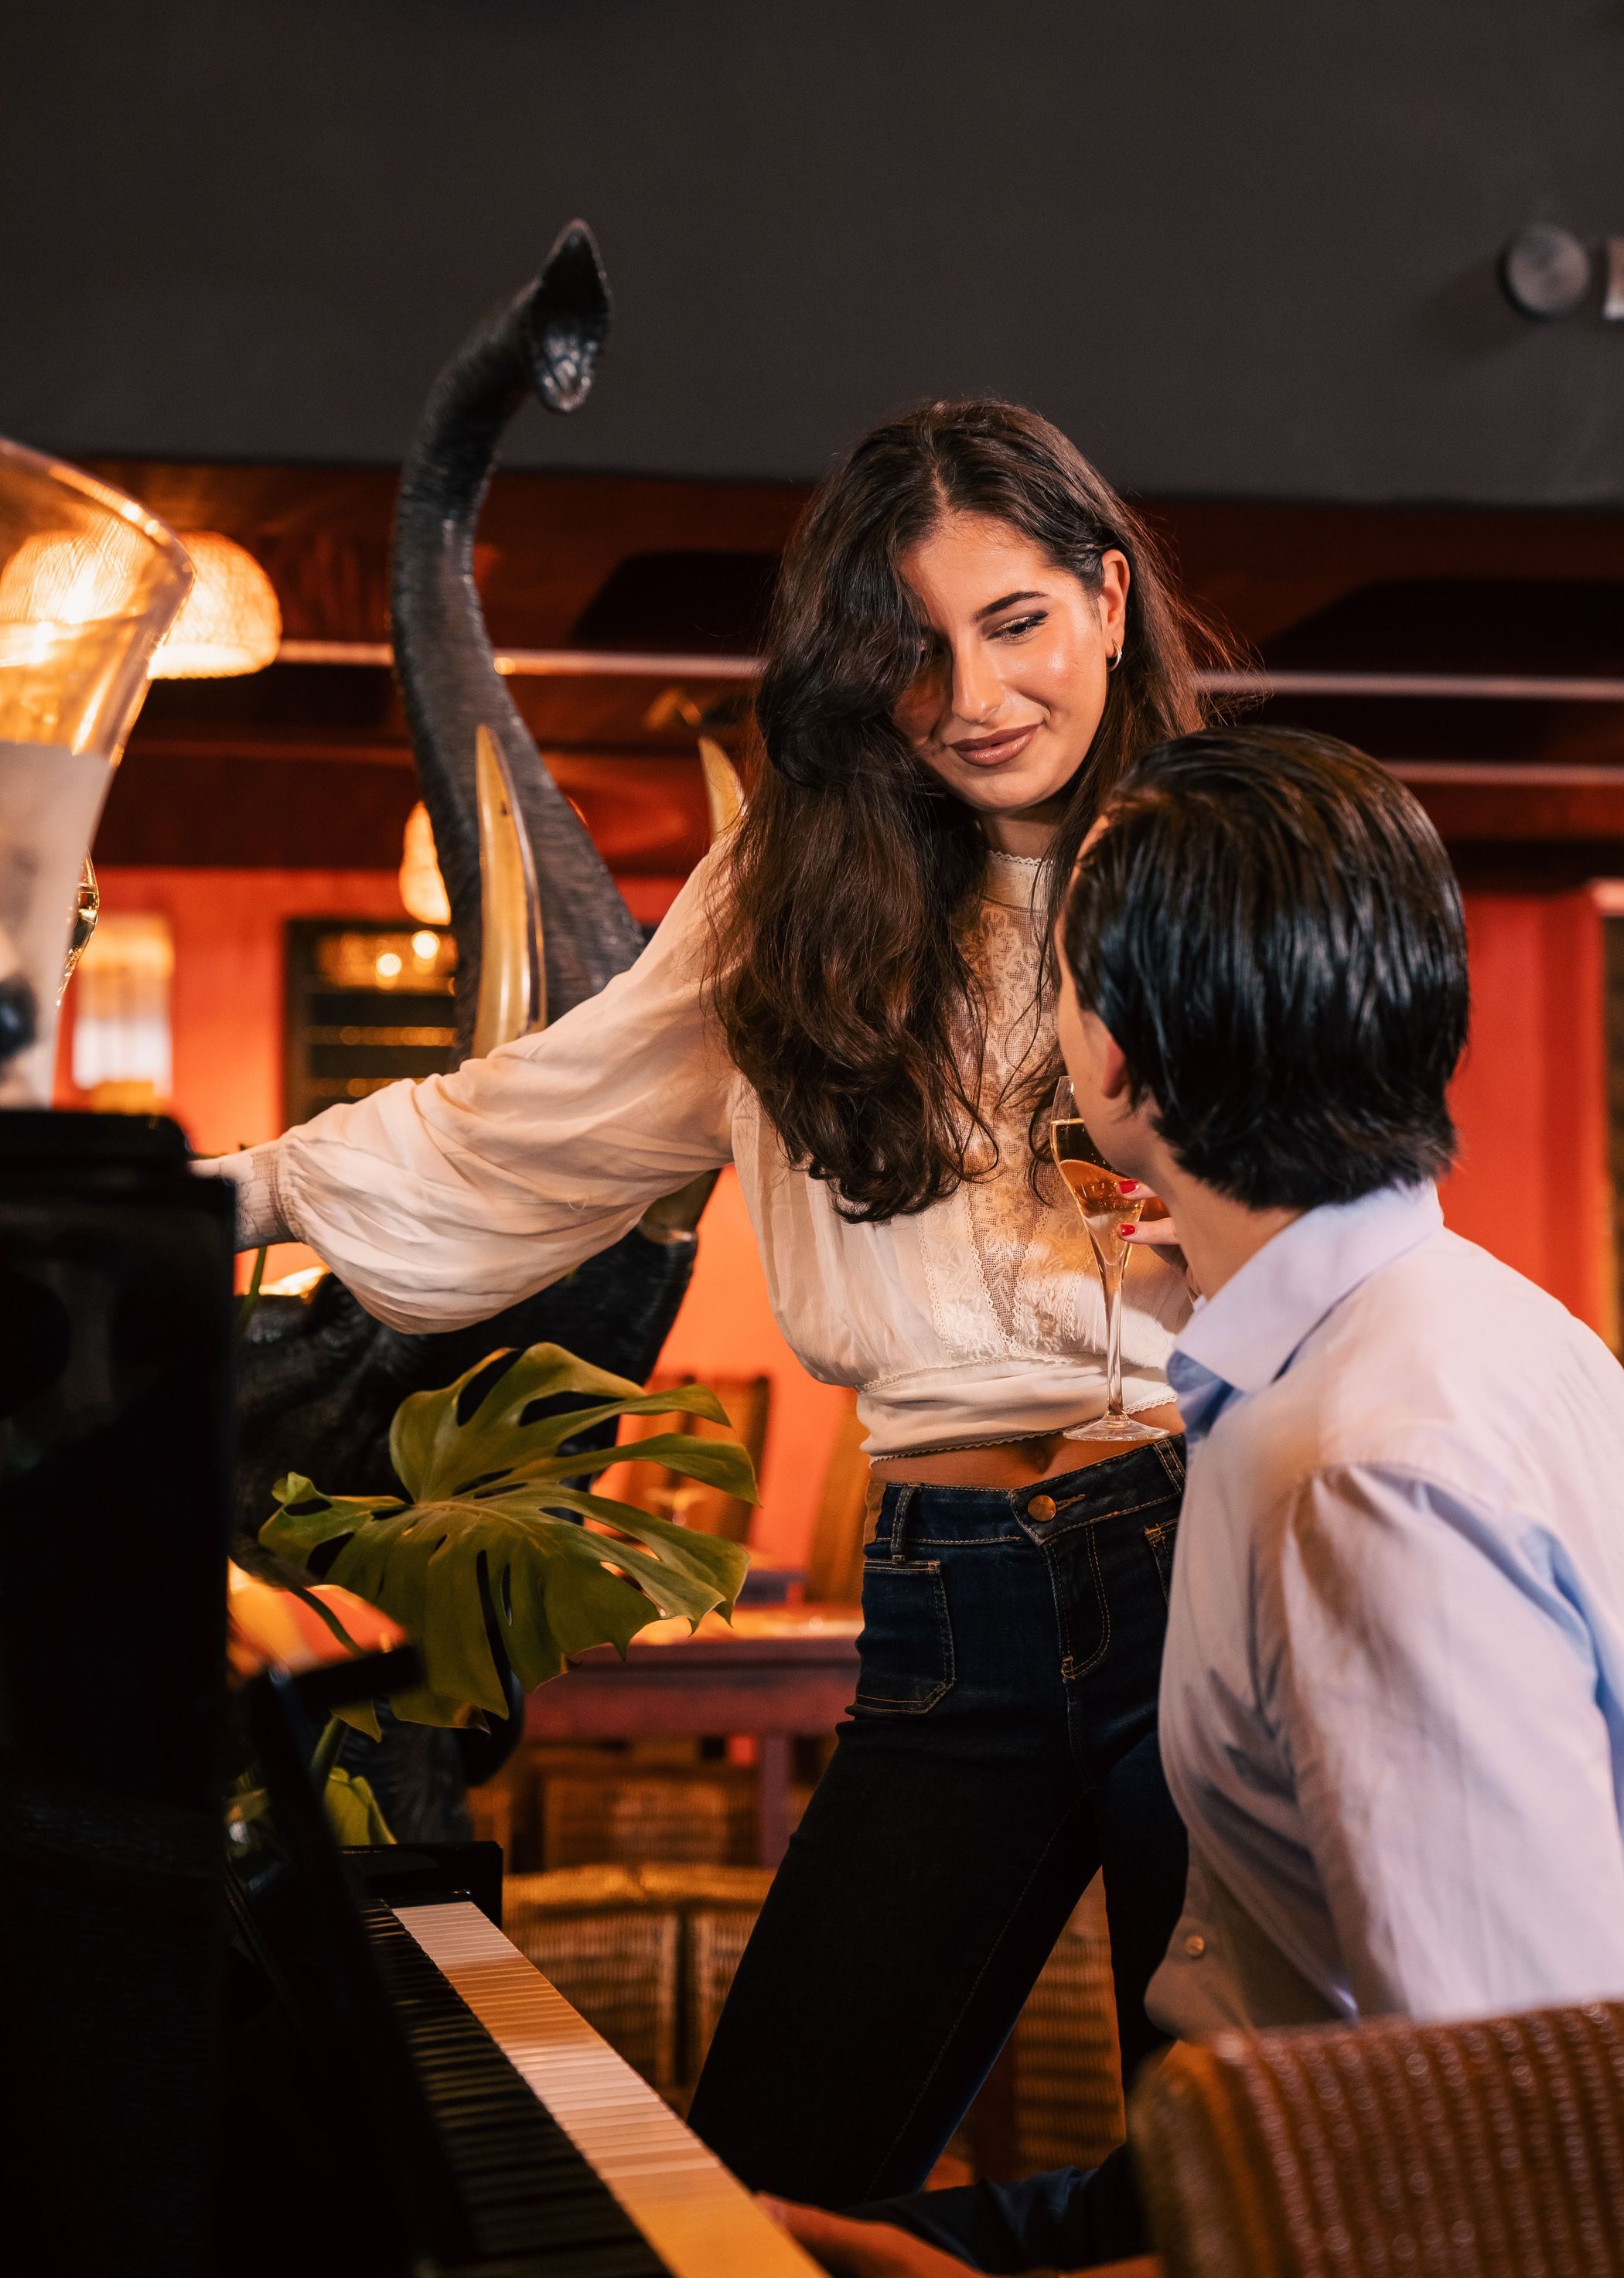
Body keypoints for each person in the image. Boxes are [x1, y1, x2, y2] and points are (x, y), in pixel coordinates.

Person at [206, 399, 1234, 2202]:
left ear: (1111, 599)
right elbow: (538, 1120)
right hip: (955, 1598)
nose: (976, 695)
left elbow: (1364, 1193)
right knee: (777, 2173)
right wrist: (221, 1195)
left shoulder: (1227, 856)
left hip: (1216, 1570)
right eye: (912, 652)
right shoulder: (798, 892)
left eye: (1015, 624)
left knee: (1239, 2188)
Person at [771, 726, 1624, 2277]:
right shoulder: (1492, 1326)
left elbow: (1520, 2190)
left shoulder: (1366, 1476)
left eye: (1062, 977)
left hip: (1348, 2214)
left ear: (1119, 1060)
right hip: (1265, 2168)